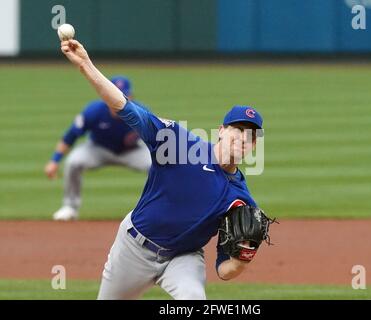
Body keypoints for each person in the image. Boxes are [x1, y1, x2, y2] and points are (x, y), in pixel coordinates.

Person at [60, 39, 265, 299]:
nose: (242, 138)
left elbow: (224, 271)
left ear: (254, 145)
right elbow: (127, 109)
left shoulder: (241, 200)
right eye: (237, 130)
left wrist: (241, 260)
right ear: (222, 130)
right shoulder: (178, 144)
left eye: (250, 136)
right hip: (134, 249)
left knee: (194, 299)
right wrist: (86, 65)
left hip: (184, 258)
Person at [44, 76, 152, 221]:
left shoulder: (142, 113)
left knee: (158, 166)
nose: (119, 98)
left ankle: (155, 211)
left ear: (131, 96)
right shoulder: (94, 111)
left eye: (123, 95)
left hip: (132, 151)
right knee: (74, 162)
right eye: (115, 94)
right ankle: (70, 207)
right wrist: (54, 160)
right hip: (98, 149)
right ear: (106, 94)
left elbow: (156, 139)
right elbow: (70, 136)